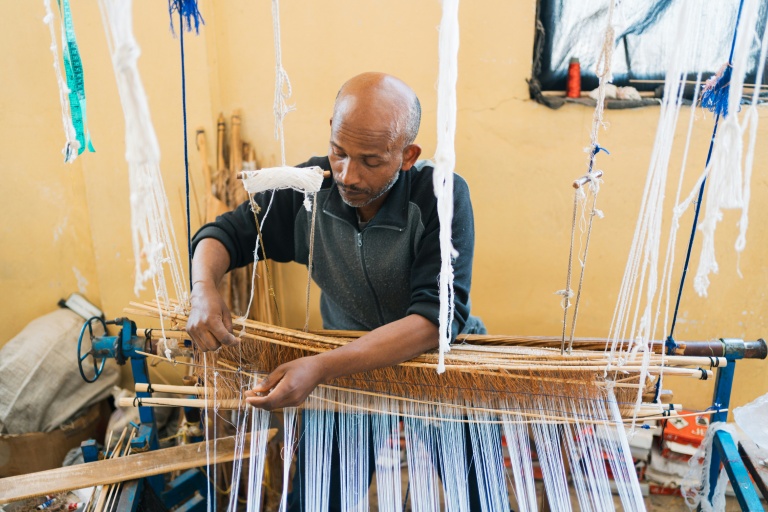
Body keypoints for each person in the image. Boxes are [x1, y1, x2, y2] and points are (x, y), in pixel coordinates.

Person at [187, 71, 484, 509]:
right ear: (330, 131)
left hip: (437, 368)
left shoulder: (440, 195)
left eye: (371, 160)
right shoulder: (313, 188)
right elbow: (224, 234)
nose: (348, 175)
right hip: (346, 373)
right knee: (318, 498)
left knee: (476, 491)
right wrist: (202, 289)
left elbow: (435, 321)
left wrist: (322, 367)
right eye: (339, 152)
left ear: (407, 155)